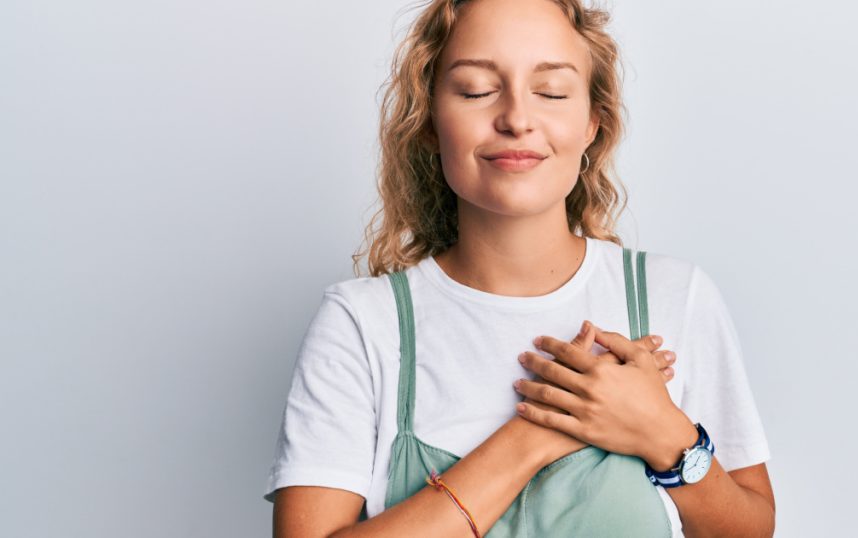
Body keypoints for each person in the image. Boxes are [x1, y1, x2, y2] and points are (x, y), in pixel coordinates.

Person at [263, 0, 776, 536]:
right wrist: (536, 435)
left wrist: (667, 435)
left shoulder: (675, 295)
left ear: (592, 124)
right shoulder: (362, 324)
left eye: (551, 92)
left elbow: (750, 528)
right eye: (477, 91)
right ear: (431, 123)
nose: (516, 119)